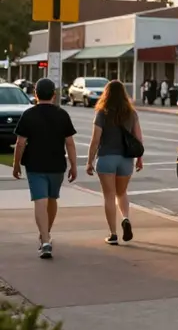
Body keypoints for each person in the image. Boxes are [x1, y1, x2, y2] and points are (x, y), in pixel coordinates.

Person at [11, 77, 78, 258]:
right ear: (54, 96)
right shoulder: (62, 114)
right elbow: (70, 143)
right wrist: (74, 165)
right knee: (52, 199)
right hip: (57, 165)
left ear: (35, 95)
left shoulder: (29, 114)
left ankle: (46, 239)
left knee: (40, 201)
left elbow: (20, 143)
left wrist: (16, 164)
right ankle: (46, 234)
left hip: (35, 164)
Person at [86, 79, 144, 245]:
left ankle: (113, 234)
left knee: (109, 196)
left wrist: (90, 161)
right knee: (122, 193)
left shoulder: (102, 113)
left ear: (106, 94)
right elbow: (138, 138)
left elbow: (95, 140)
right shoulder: (131, 114)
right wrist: (139, 158)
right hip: (126, 160)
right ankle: (125, 218)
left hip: (106, 159)